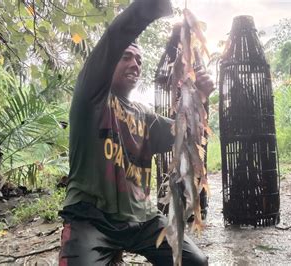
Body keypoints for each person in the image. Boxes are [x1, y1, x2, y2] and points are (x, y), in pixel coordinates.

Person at [58, 0, 214, 265]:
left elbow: (185, 133)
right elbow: (115, 36)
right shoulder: (91, 97)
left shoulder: (144, 116)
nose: (135, 64)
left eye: (139, 60)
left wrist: (200, 95)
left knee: (195, 262)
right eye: (126, 56)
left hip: (142, 218)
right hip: (92, 219)